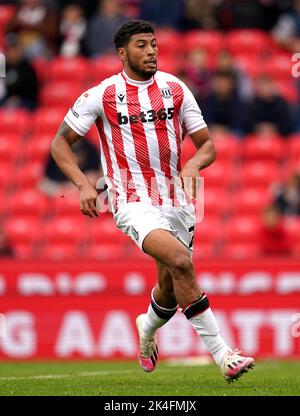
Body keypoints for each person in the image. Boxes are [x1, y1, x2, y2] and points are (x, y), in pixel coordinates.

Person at [50, 19, 254, 382]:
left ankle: (146, 328)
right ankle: (225, 356)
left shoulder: (175, 88)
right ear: (122, 53)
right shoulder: (103, 93)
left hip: (178, 200)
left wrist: (193, 163)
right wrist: (83, 185)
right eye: (142, 45)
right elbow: (59, 143)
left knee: (171, 286)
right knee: (181, 261)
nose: (151, 51)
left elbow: (207, 143)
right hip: (130, 199)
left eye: (154, 45)